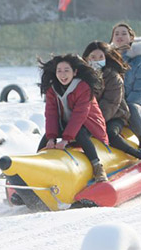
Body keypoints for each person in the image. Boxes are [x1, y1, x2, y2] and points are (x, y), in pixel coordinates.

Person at [38, 54, 109, 182]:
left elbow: (79, 116)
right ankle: (36, 167)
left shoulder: (83, 88)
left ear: (75, 72)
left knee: (80, 132)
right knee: (46, 138)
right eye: (59, 71)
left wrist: (66, 139)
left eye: (66, 70)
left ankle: (97, 166)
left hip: (89, 125)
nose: (62, 75)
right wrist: (51, 137)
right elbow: (51, 113)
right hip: (66, 124)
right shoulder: (52, 89)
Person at [82, 41, 141, 163]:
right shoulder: (82, 77)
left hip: (115, 115)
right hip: (91, 117)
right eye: (93, 57)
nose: (96, 60)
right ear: (86, 59)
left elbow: (111, 103)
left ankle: (138, 153)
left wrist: (94, 123)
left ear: (106, 58)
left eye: (100, 57)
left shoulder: (113, 77)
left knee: (110, 133)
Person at [110, 23, 141, 152]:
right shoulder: (107, 58)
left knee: (131, 107)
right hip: (115, 106)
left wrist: (123, 107)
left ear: (131, 38)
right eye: (116, 34)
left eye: (124, 34)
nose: (120, 36)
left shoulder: (139, 62)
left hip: (139, 107)